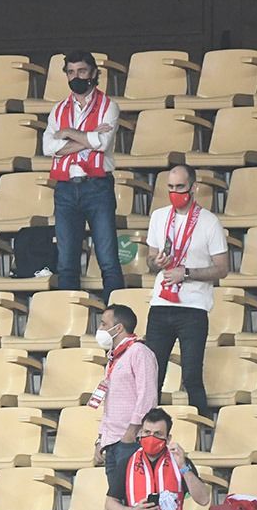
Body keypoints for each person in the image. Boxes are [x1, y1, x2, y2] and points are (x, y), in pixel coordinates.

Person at [144, 164, 229, 418]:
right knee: (152, 375)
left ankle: (201, 429)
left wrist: (187, 273)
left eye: (180, 187)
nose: (174, 192)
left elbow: (222, 268)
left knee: (191, 374)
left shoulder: (209, 222)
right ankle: (149, 433)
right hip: (160, 304)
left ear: (194, 187)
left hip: (193, 307)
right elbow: (149, 259)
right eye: (170, 187)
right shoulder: (159, 217)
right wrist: (155, 263)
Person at [41, 50, 125, 304]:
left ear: (94, 73)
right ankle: (70, 316)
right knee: (66, 261)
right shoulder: (58, 109)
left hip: (97, 187)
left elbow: (103, 142)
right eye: (70, 72)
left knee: (108, 259)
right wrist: (86, 138)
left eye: (82, 71)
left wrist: (67, 134)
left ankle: (115, 319)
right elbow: (48, 148)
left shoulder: (108, 106)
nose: (76, 76)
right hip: (66, 188)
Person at [92, 304, 159, 487]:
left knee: (134, 499)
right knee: (116, 502)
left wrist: (130, 434)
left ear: (118, 327)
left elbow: (147, 397)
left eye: (104, 324)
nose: (100, 329)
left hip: (131, 441)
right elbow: (109, 403)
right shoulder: (114, 357)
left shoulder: (139, 352)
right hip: (112, 441)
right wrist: (101, 439)